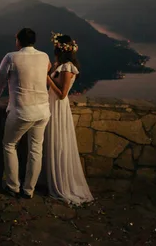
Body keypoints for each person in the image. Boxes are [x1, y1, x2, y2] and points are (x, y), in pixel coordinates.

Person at [0, 28, 51, 199]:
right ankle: (29, 189)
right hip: (43, 110)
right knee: (36, 150)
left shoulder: (11, 57)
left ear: (19, 41)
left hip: (22, 111)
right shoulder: (44, 56)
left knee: (9, 145)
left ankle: (13, 186)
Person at [44, 33, 93, 205]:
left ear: (59, 48)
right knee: (51, 142)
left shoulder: (67, 68)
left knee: (59, 143)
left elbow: (63, 94)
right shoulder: (58, 64)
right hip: (50, 105)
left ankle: (63, 183)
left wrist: (47, 78)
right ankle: (50, 178)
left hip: (58, 107)